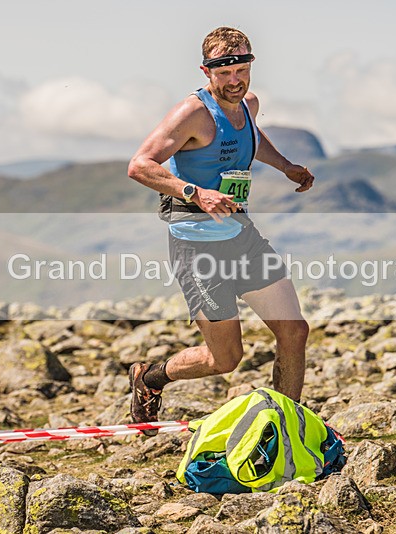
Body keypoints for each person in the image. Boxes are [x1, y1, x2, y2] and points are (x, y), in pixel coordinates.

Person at [126, 27, 315, 430]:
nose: (233, 80)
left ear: (249, 66)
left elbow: (249, 137)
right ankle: (149, 377)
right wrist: (197, 193)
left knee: (295, 331)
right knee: (225, 359)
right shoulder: (191, 113)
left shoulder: (248, 103)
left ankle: (283, 430)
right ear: (206, 70)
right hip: (197, 248)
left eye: (240, 69)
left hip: (241, 236)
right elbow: (140, 165)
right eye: (223, 71)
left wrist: (285, 166)